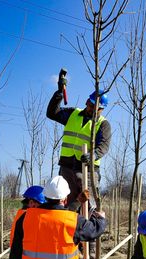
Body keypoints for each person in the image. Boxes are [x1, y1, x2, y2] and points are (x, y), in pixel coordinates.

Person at [46, 72, 111, 212]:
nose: (91, 108)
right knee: (66, 203)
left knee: (88, 205)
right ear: (87, 101)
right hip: (67, 167)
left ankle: (87, 231)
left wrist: (93, 155)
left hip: (87, 170)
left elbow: (104, 146)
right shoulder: (73, 114)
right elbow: (52, 113)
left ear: (101, 109)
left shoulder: (103, 124)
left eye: (95, 107)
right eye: (90, 104)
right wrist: (59, 93)